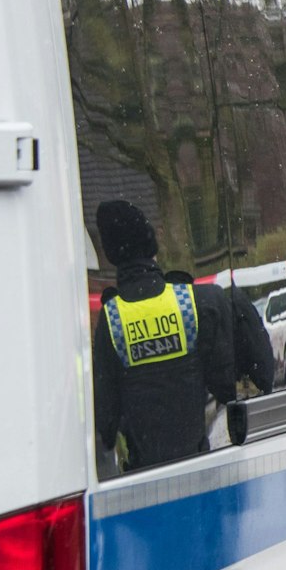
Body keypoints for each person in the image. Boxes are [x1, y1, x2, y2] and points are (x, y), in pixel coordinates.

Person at [90, 199, 237, 472]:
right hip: (200, 464)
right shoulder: (190, 303)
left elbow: (105, 421)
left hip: (144, 474)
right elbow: (227, 385)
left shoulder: (112, 320)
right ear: (151, 246)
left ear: (110, 254)